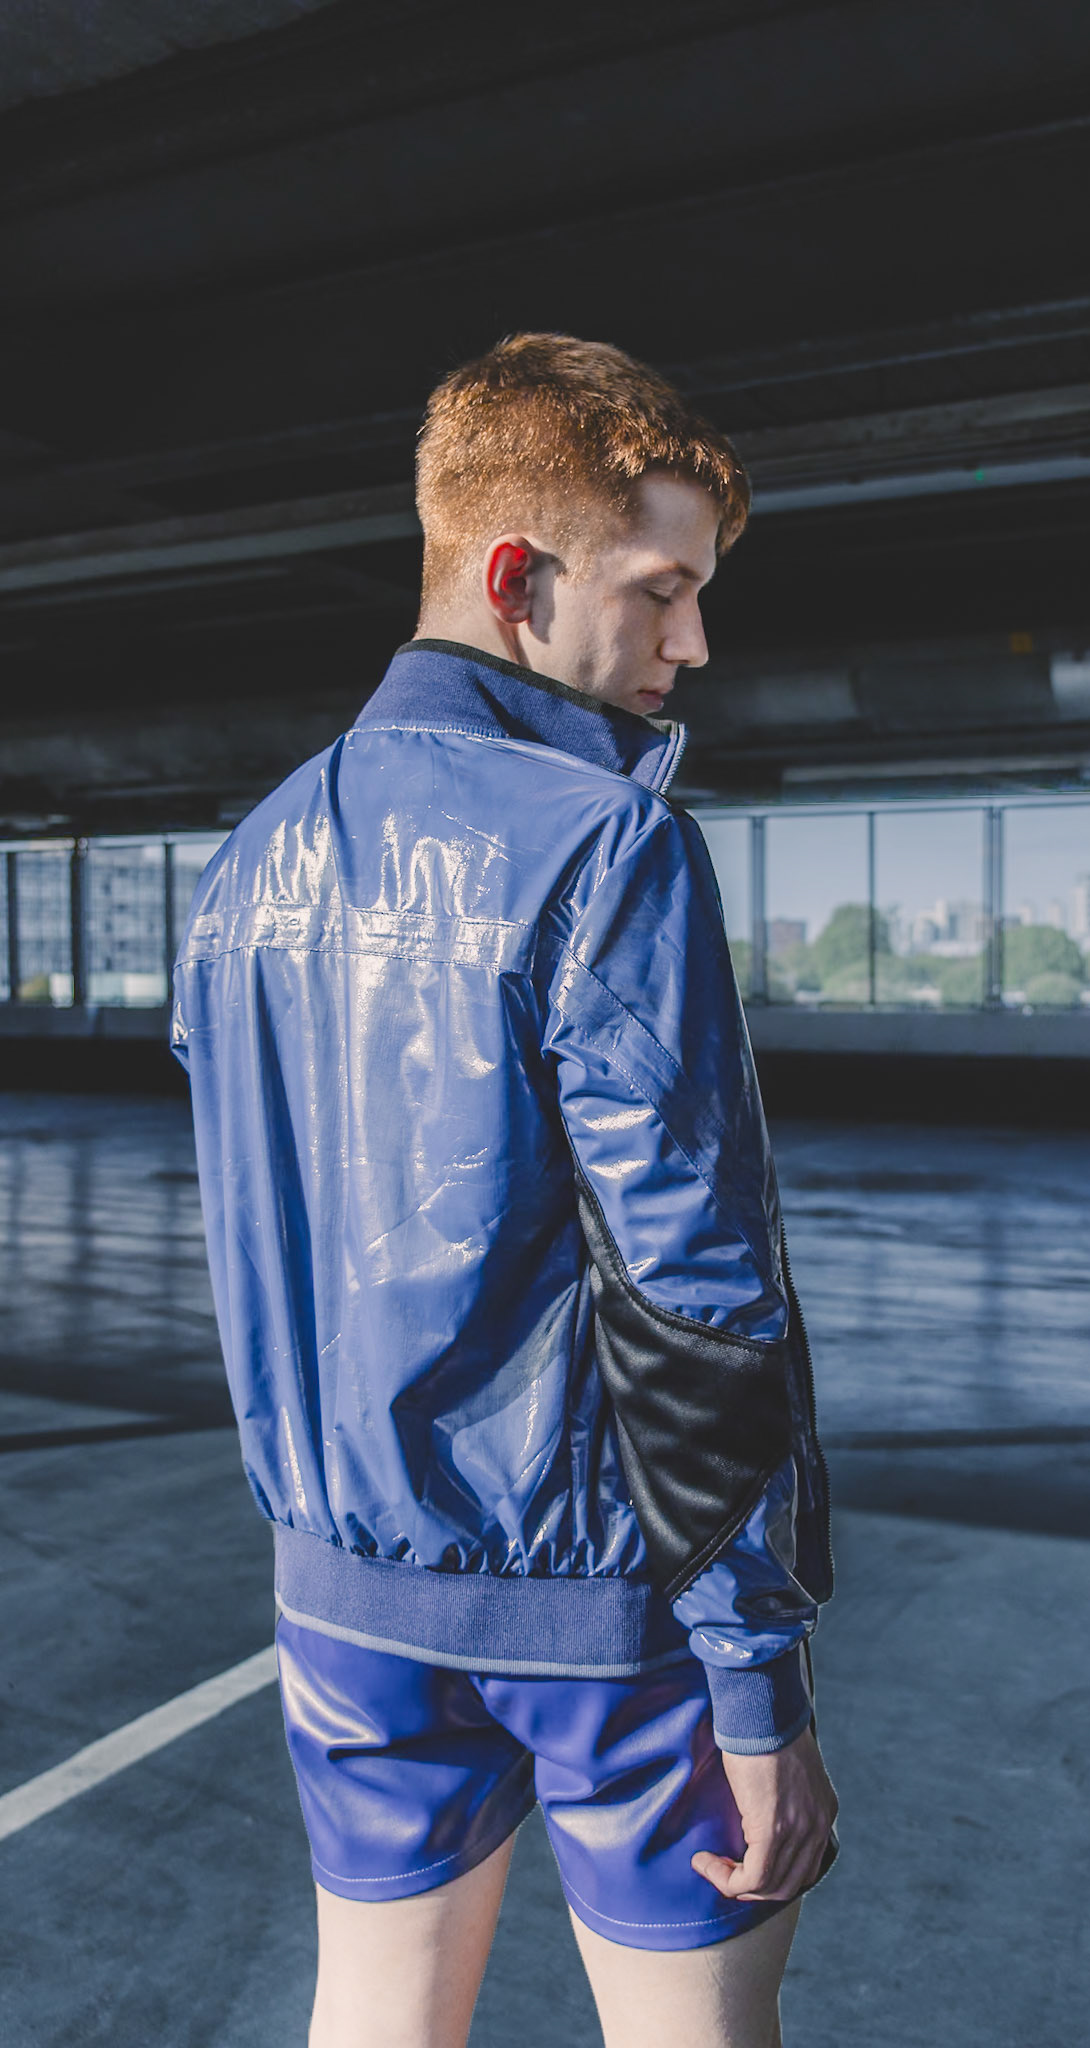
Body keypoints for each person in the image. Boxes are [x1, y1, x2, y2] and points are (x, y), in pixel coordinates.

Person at [172, 333, 836, 2048]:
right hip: (605, 1607)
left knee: (374, 2015)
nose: (692, 642)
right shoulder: (608, 846)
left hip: (336, 1598)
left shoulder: (245, 865)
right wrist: (755, 1681)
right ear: (514, 577)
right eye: (660, 589)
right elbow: (695, 1291)